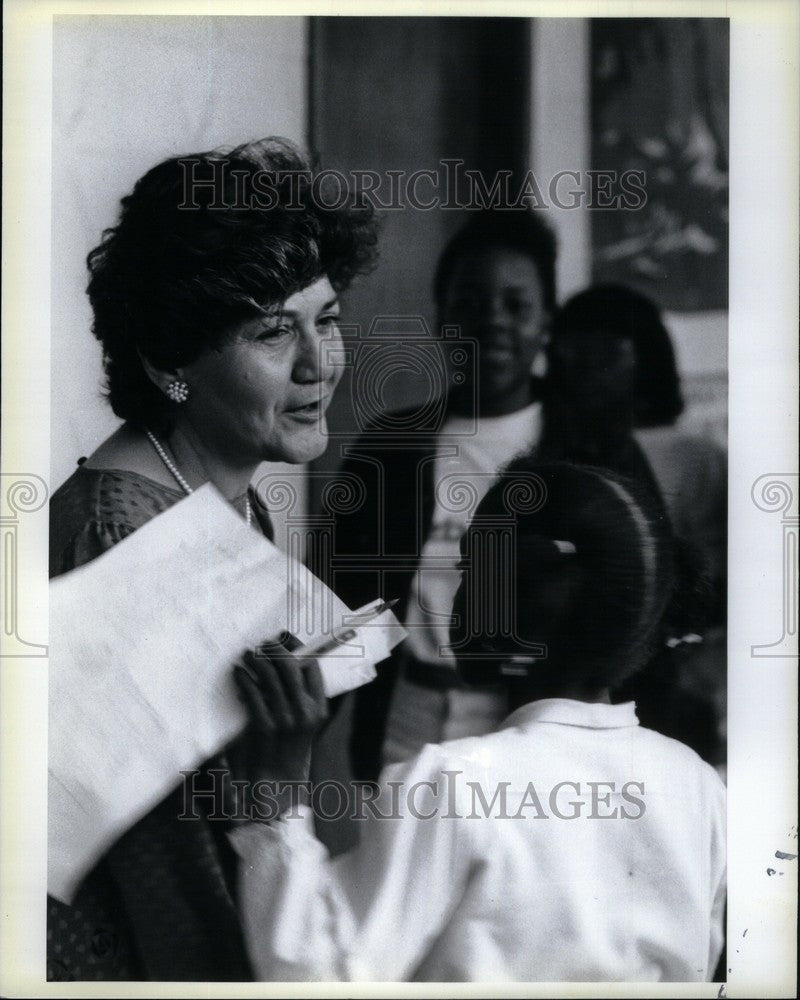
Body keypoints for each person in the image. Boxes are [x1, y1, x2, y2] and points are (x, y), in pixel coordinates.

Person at [47, 137, 378, 981]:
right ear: (171, 365)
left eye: (327, 319)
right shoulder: (121, 533)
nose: (319, 365)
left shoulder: (227, 497)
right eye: (274, 332)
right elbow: (175, 888)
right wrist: (282, 780)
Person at [229, 461, 727, 982]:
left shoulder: (452, 783)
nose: (451, 593)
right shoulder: (697, 784)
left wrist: (276, 801)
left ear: (505, 598)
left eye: (466, 570)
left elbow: (319, 982)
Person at [330, 209, 557, 782]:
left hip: (536, 726)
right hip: (408, 719)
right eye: (470, 303)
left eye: (516, 304)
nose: (493, 322)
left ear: (546, 319)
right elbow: (336, 595)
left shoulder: (585, 444)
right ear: (442, 320)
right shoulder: (391, 444)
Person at [547, 285, 726, 768]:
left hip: (674, 679)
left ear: (644, 357)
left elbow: (717, 581)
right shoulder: (559, 448)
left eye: (606, 352)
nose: (584, 366)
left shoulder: (693, 457)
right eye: (572, 350)